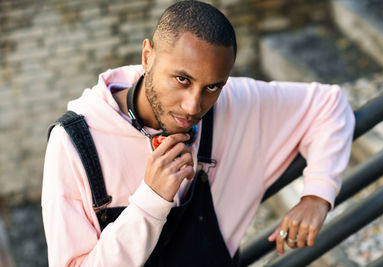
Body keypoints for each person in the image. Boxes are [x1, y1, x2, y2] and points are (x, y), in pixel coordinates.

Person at [42, 1, 355, 266]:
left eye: (212, 86)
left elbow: (330, 104)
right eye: (181, 79)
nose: (193, 106)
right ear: (148, 57)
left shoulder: (233, 104)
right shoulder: (74, 144)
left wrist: (317, 195)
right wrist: (150, 202)